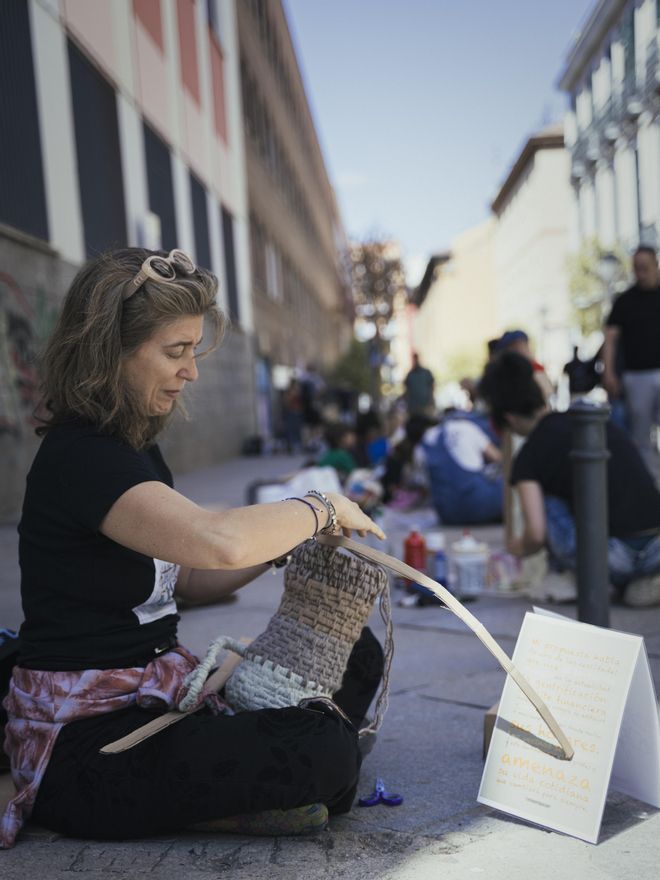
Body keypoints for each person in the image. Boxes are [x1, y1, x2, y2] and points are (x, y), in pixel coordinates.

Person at [0, 247, 386, 849]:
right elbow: (217, 541)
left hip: (161, 698)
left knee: (356, 653)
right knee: (326, 749)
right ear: (108, 352)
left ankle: (254, 789)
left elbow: (187, 577)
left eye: (193, 351)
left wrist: (289, 544)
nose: (191, 372)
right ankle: (260, 791)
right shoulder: (82, 457)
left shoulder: (133, 449)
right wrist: (319, 508)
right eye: (176, 351)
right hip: (90, 748)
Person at [479, 351, 660, 607]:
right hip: (656, 546)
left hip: (610, 557)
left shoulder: (528, 456)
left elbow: (536, 534)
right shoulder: (594, 422)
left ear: (508, 418)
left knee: (549, 500)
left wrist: (515, 548)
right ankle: (642, 581)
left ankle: (574, 578)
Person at [602, 246, 660, 483]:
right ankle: (652, 485)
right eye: (637, 268)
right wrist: (609, 372)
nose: (641, 273)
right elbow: (610, 339)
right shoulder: (625, 301)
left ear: (656, 265)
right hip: (636, 377)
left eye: (645, 267)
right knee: (640, 437)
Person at [420, 410, 503, 525]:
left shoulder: (428, 436)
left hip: (447, 515)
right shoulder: (467, 427)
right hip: (479, 506)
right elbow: (498, 458)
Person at [493, 329, 554, 401]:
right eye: (516, 347)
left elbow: (548, 393)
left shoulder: (536, 368)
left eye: (524, 346)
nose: (524, 350)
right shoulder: (501, 372)